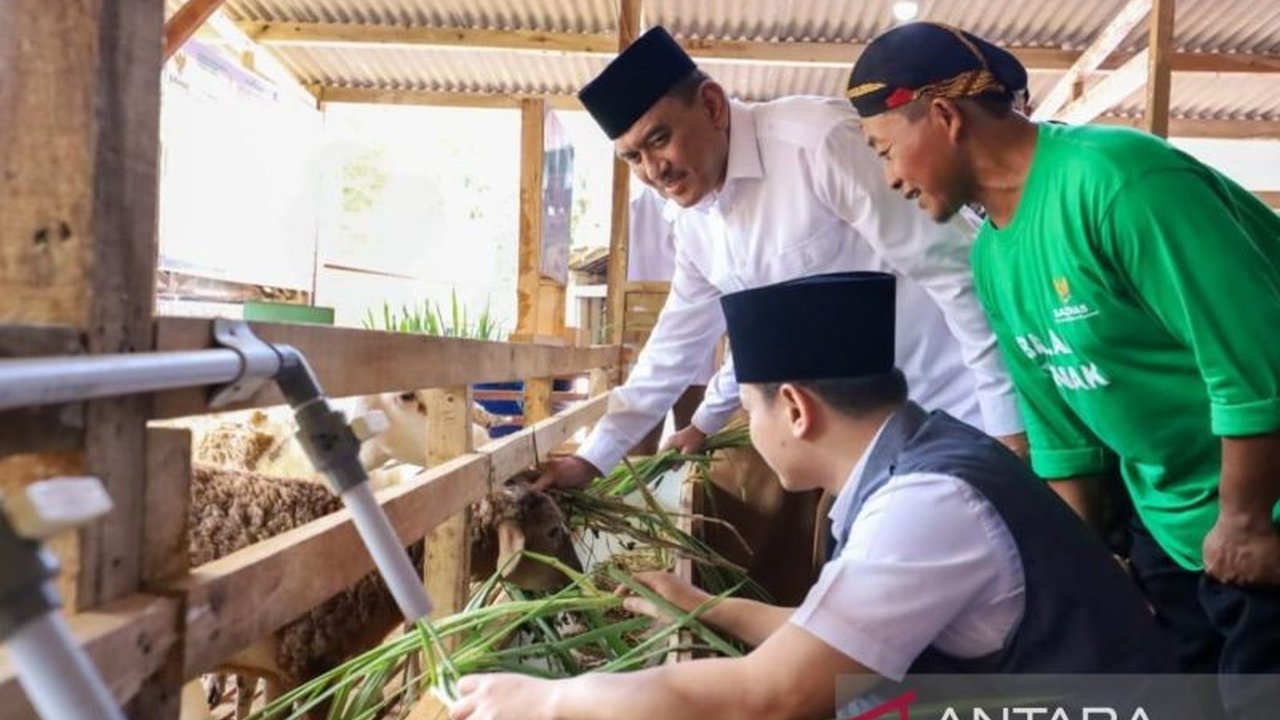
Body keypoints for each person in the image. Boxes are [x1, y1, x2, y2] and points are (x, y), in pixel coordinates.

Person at [451, 272, 1182, 720]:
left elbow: (766, 697)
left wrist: (545, 701)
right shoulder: (922, 457)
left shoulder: (927, 505)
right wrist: (707, 607)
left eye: (750, 408)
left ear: (795, 409)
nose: (748, 427)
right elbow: (843, 632)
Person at [849, 21, 1280, 718]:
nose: (890, 177)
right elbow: (1061, 439)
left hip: (1258, 512)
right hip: (1173, 525)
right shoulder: (994, 257)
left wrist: (1247, 518)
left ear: (945, 117)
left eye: (885, 148)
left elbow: (1257, 361)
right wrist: (1083, 567)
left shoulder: (1119, 181)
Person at [533, 25, 1028, 493]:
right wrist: (595, 456)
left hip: (962, 406)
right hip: (866, 441)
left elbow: (957, 274)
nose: (653, 170)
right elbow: (676, 350)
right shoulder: (695, 222)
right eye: (633, 158)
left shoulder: (816, 143)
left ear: (712, 106)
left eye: (659, 139)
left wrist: (1008, 429)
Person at [625, 185, 716, 455]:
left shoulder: (706, 211)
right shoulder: (636, 206)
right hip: (646, 325)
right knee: (643, 437)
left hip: (696, 327)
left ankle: (689, 487)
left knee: (690, 434)